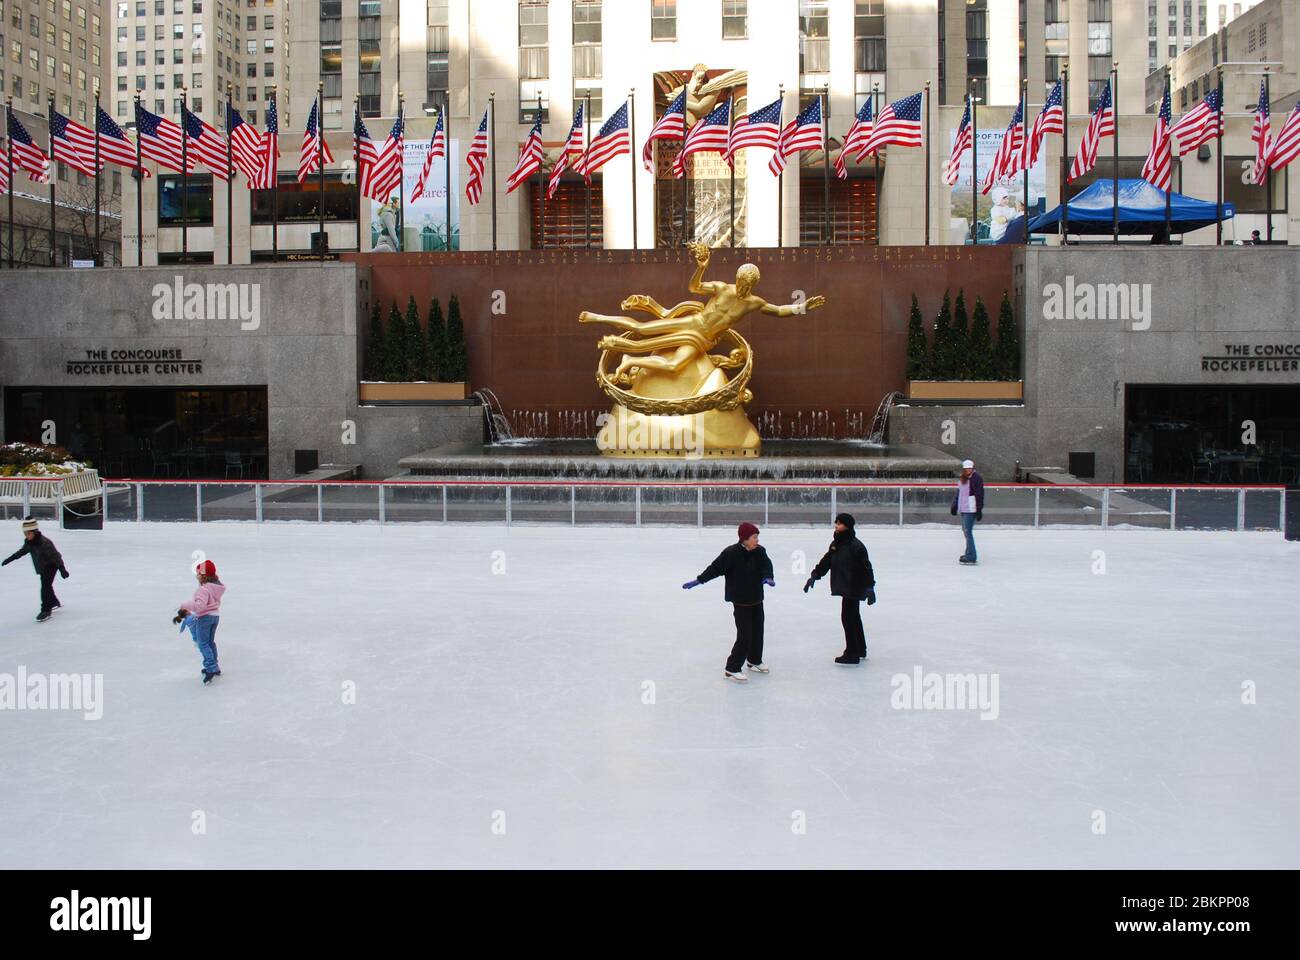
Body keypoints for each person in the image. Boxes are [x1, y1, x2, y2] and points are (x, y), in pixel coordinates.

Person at [682, 521, 774, 683]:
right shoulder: (731, 553)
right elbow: (715, 568)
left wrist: (768, 576)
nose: (757, 540)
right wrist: (699, 580)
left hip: (757, 598)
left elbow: (767, 564)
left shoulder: (760, 551)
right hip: (740, 601)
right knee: (745, 634)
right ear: (744, 539)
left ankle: (754, 660)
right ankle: (732, 668)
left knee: (758, 631)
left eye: (757, 537)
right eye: (754, 537)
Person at [804, 513, 876, 666]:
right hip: (846, 585)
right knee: (853, 617)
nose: (836, 525)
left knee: (848, 618)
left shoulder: (856, 546)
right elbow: (827, 561)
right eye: (836, 522)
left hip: (854, 586)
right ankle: (860, 649)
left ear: (847, 526)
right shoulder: (837, 543)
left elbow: (866, 568)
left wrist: (870, 587)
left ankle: (852, 653)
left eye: (840, 523)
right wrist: (815, 575)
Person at [2, 517, 69, 622]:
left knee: (45, 586)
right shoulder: (30, 542)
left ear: (34, 532)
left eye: (28, 533)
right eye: (25, 534)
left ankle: (46, 610)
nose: (26, 536)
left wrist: (62, 569)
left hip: (52, 565)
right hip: (43, 566)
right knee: (47, 585)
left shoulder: (45, 543)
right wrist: (10, 559)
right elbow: (22, 551)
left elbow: (56, 556)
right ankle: (54, 601)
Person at [176, 559, 226, 685]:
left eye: (198, 573)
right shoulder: (214, 588)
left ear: (203, 576)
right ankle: (214, 665)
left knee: (203, 644)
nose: (197, 575)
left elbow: (200, 606)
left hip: (204, 618)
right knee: (210, 643)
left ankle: (211, 667)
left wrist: (185, 605)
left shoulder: (203, 589)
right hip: (215, 616)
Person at [951, 459, 985, 565]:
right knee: (965, 532)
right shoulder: (963, 479)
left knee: (968, 532)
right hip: (964, 508)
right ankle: (968, 552)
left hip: (971, 509)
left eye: (970, 468)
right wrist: (955, 505)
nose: (968, 470)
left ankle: (971, 556)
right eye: (966, 469)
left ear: (973, 468)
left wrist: (979, 509)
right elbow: (959, 493)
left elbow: (980, 495)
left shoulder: (976, 478)